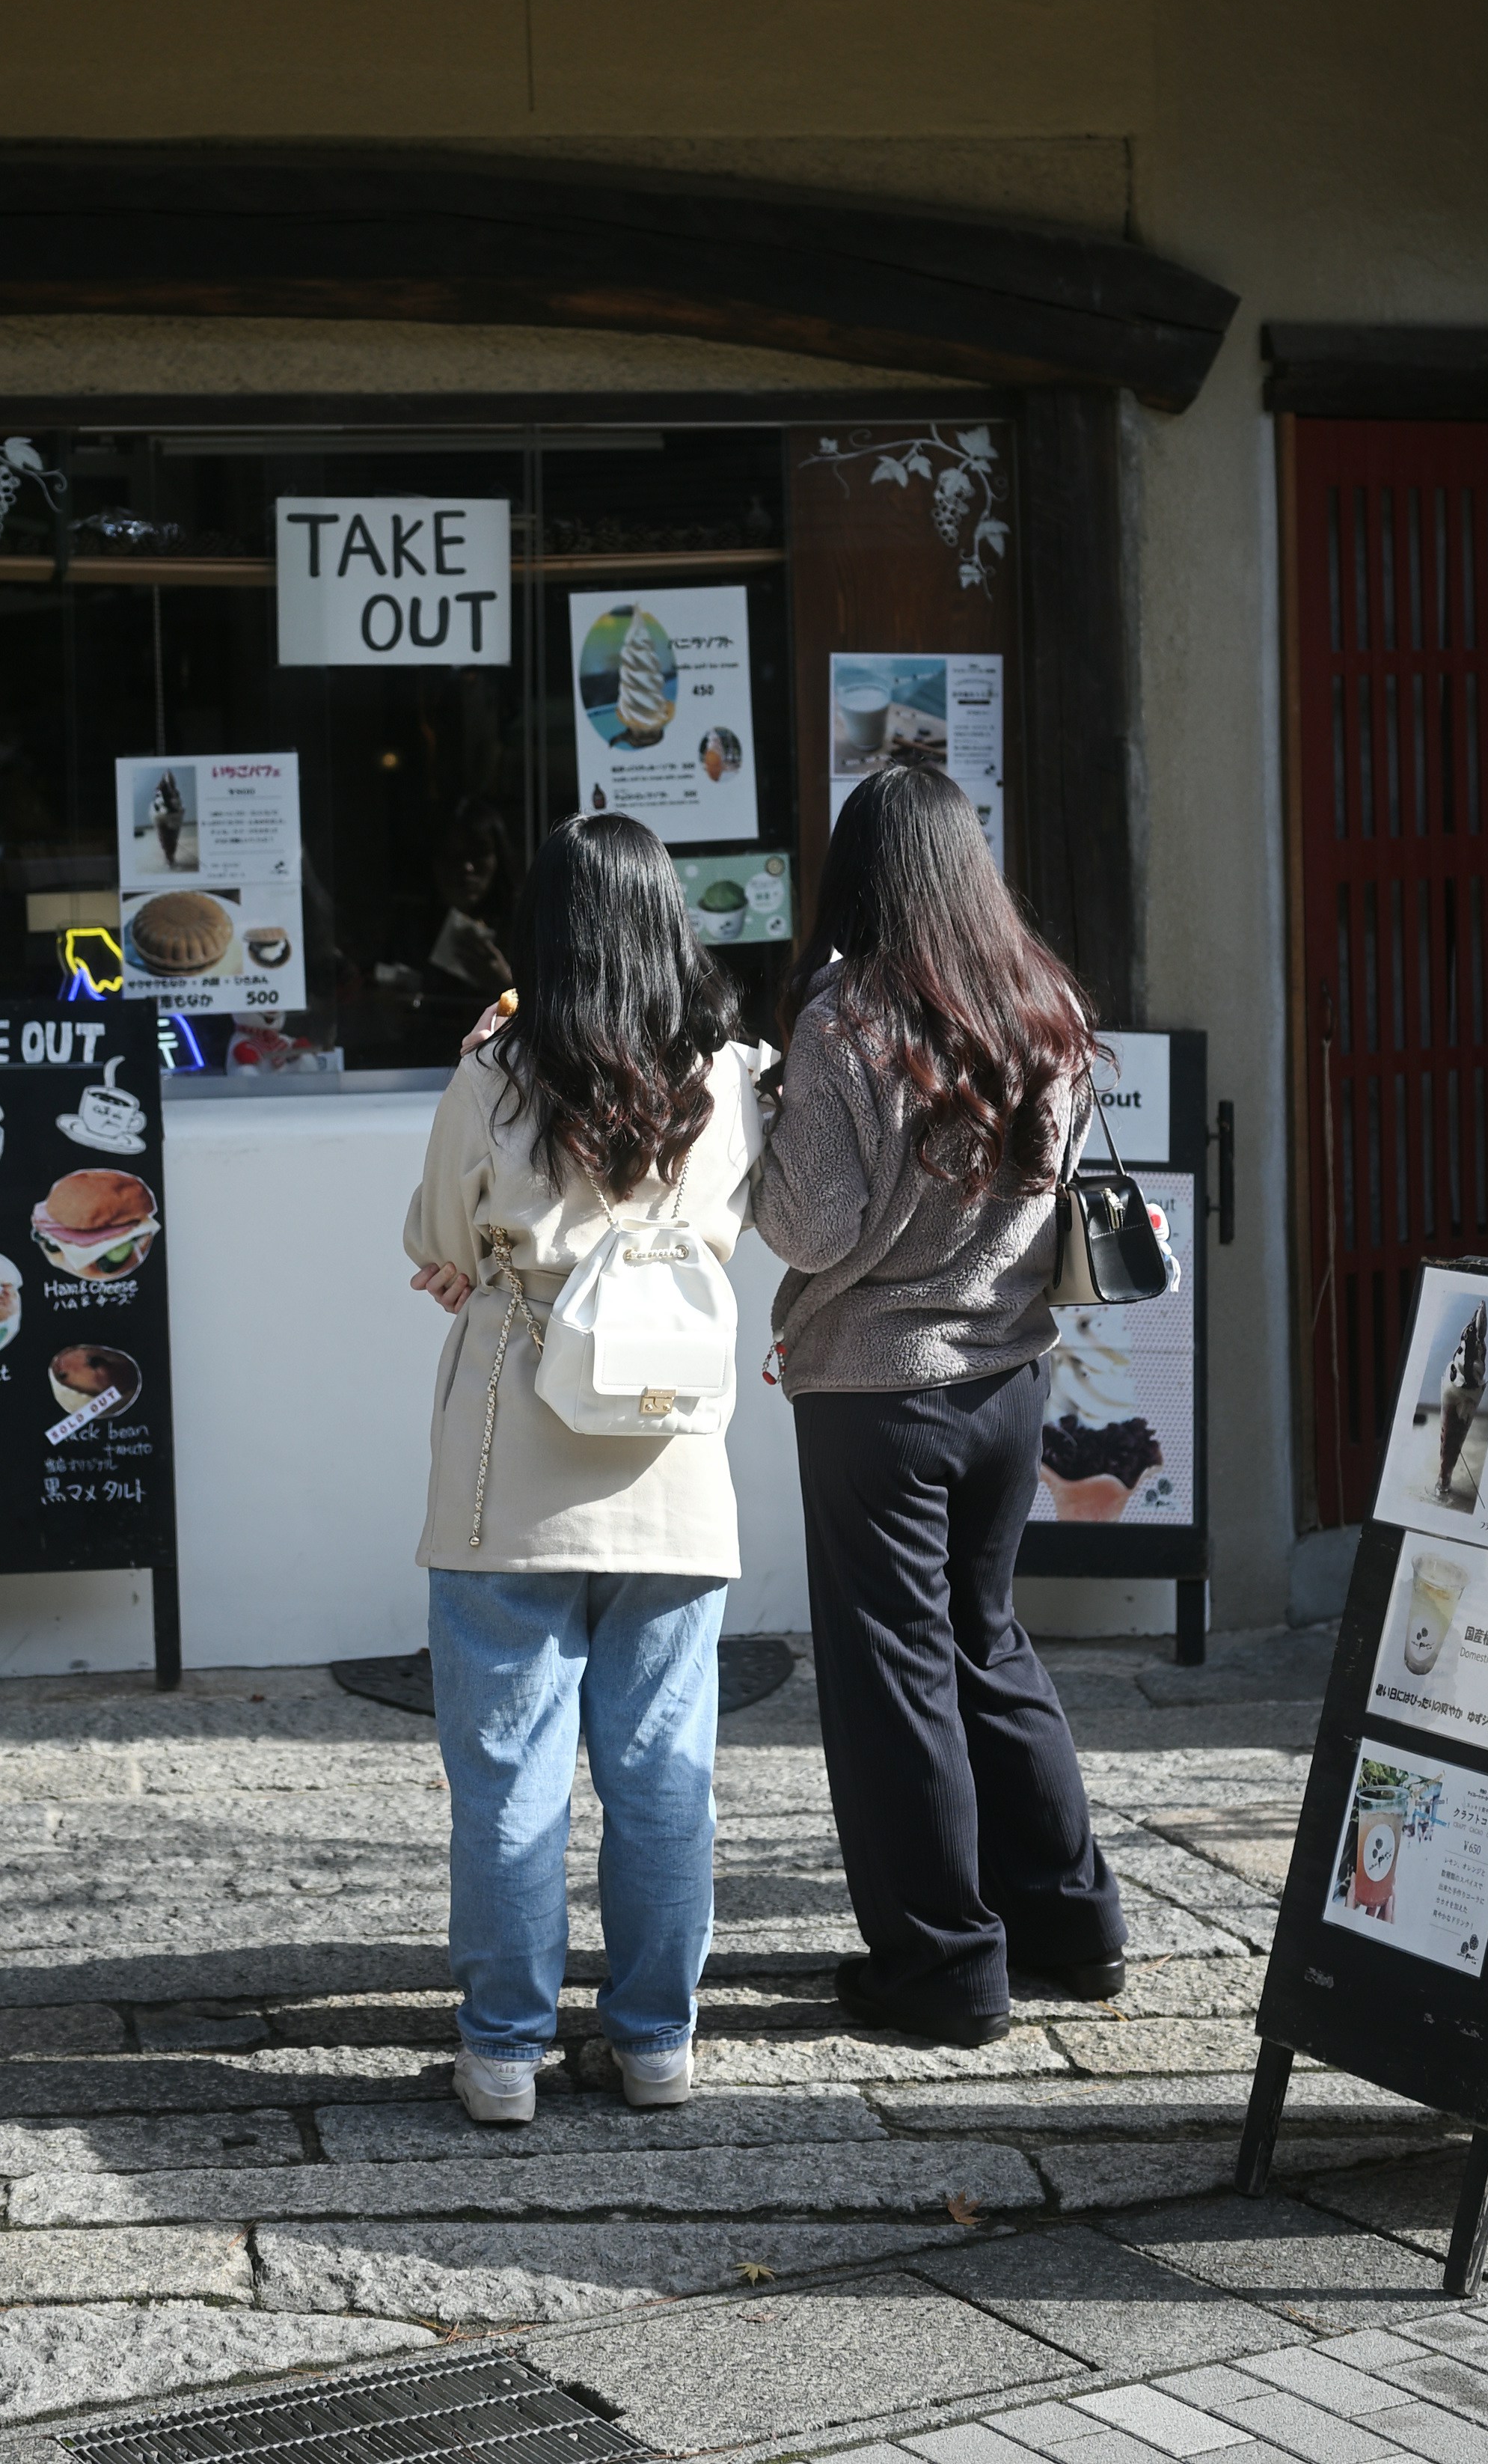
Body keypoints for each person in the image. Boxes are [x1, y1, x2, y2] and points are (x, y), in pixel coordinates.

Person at [399, 810, 777, 2126]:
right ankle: (656, 2042)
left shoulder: (495, 1073)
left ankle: (503, 2052)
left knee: (509, 1769)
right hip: (673, 1454)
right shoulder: (727, 1079)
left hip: (513, 1459)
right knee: (665, 1771)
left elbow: (436, 1239)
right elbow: (750, 1213)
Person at [754, 765, 1121, 2047]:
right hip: (1012, 1377)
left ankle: (945, 1968)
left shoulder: (843, 1022)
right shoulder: (1045, 1005)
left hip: (877, 1397)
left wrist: (763, 1126)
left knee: (893, 1673)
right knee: (989, 1640)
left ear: (861, 872)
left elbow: (811, 1221)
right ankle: (1074, 1930)